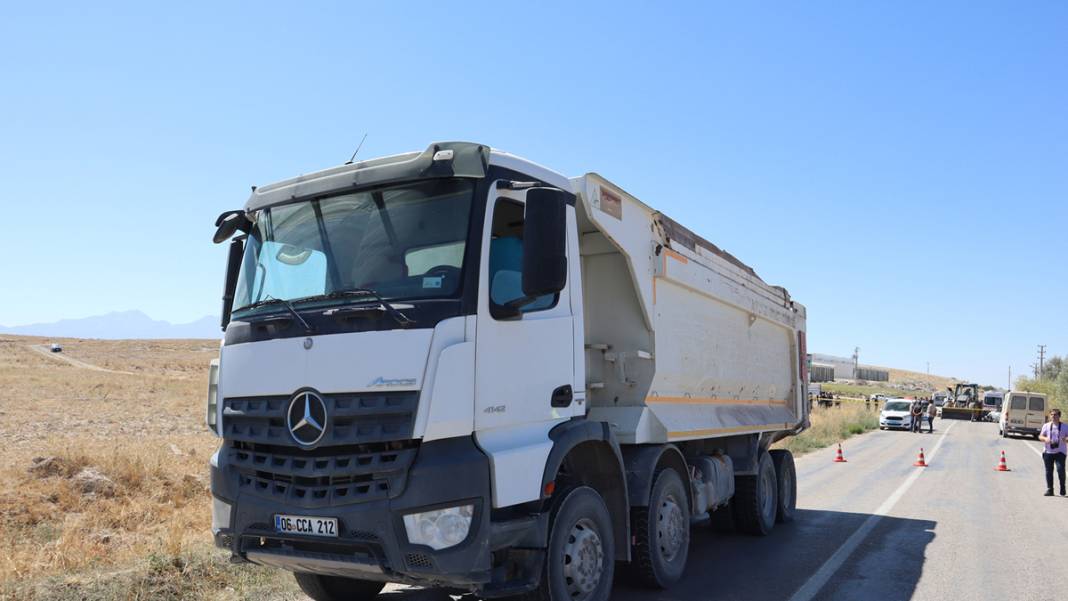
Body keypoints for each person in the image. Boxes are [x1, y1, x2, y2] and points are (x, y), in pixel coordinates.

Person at [1039, 409, 1068, 496]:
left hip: (1060, 452)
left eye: (1055, 415)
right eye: (1052, 414)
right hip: (1048, 451)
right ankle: (1050, 489)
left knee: (1060, 470)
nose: (1053, 416)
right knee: (1049, 471)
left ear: (1059, 416)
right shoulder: (1046, 425)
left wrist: (1066, 439)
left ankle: (1062, 487)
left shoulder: (1065, 426)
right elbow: (1040, 436)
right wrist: (1045, 439)